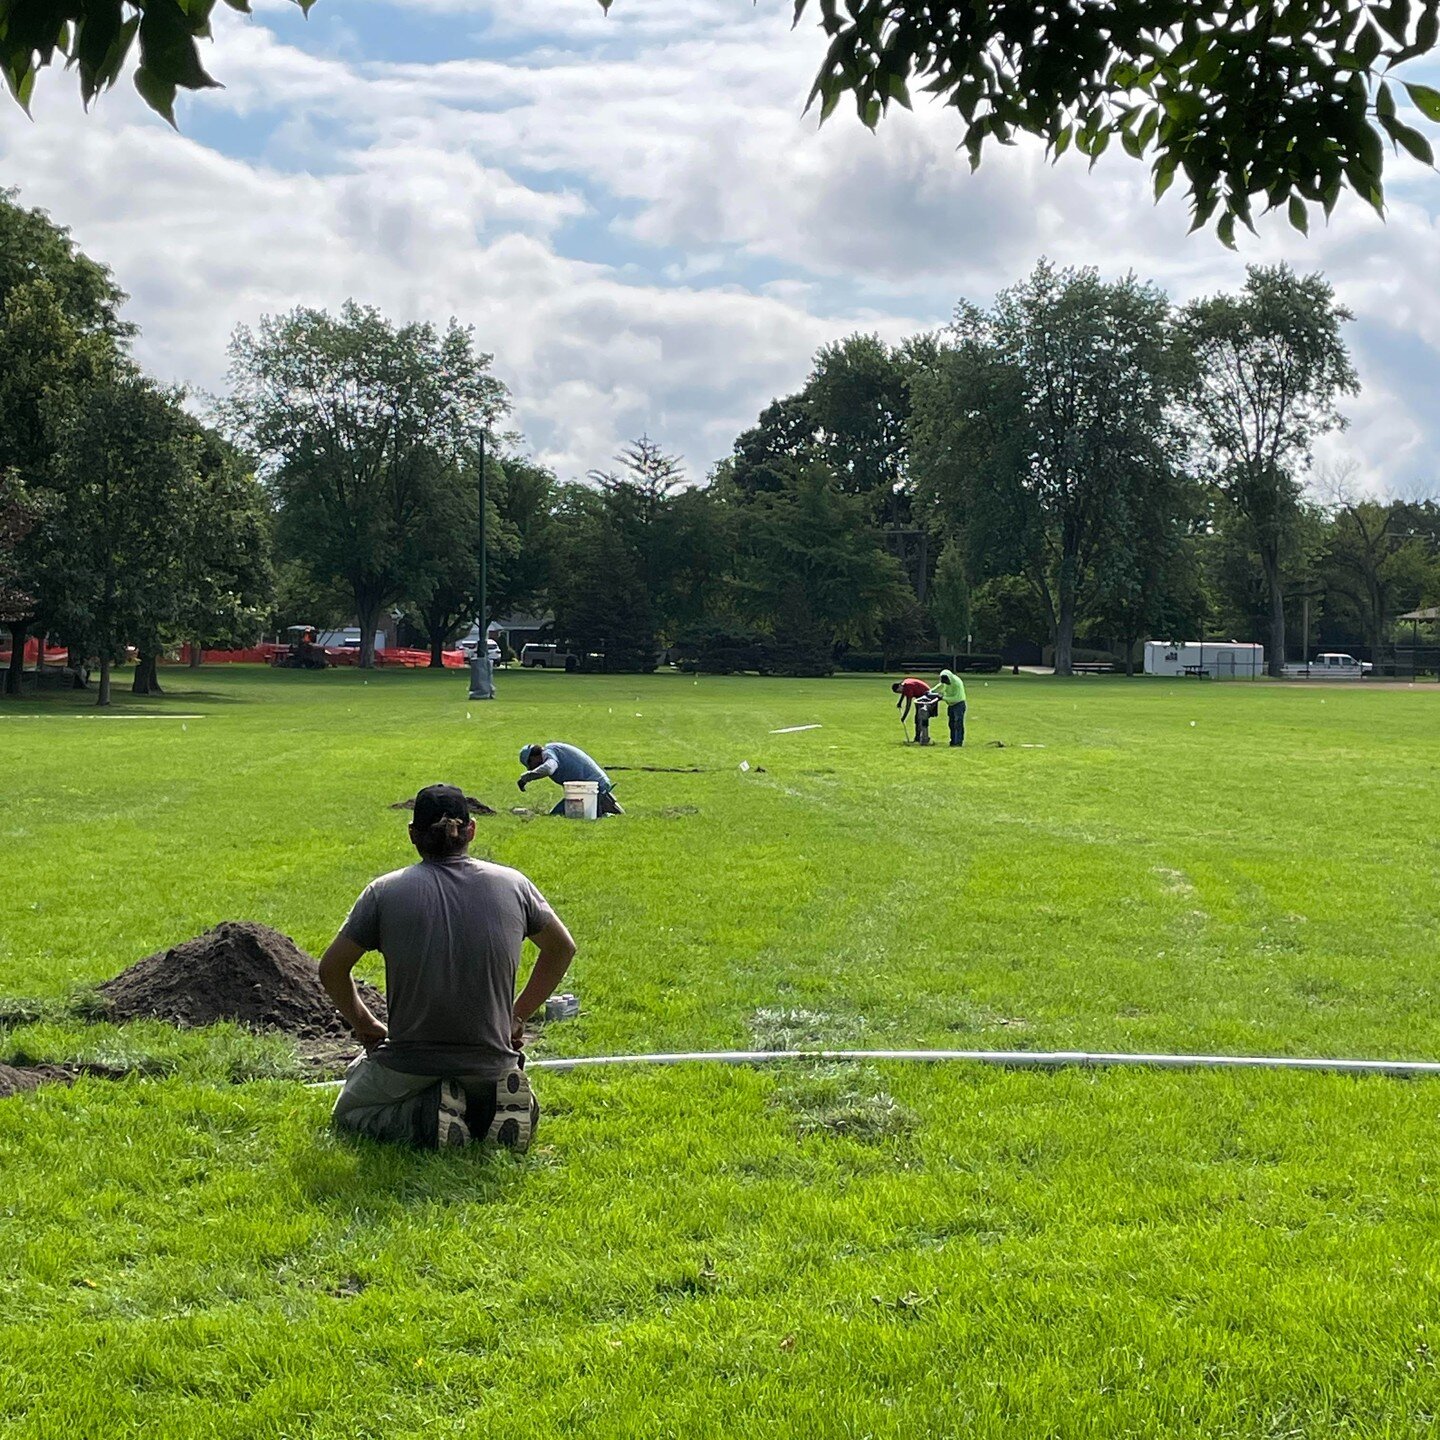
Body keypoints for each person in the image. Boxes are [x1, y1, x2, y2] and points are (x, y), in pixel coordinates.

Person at [319, 783, 576, 1151]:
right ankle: (499, 1109)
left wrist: (367, 1027)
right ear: (471, 830)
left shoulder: (383, 892)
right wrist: (516, 1016)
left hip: (410, 1063)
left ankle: (422, 1115)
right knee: (484, 1087)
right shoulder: (513, 884)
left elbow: (331, 969)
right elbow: (562, 949)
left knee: (351, 1113)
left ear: (412, 835)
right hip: (490, 1058)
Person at [518, 741, 623, 816]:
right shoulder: (553, 750)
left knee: (559, 816)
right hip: (592, 787)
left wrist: (526, 778)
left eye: (531, 765)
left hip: (592, 788)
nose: (533, 768)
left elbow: (549, 769)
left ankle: (604, 809)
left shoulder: (548, 753)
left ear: (533, 757)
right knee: (558, 814)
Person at [935, 667, 967, 747]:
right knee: (951, 724)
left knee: (958, 723)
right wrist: (931, 691)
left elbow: (956, 698)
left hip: (959, 704)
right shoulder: (946, 681)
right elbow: (940, 686)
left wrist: (942, 698)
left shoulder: (957, 684)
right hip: (951, 705)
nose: (946, 683)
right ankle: (953, 741)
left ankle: (958, 742)